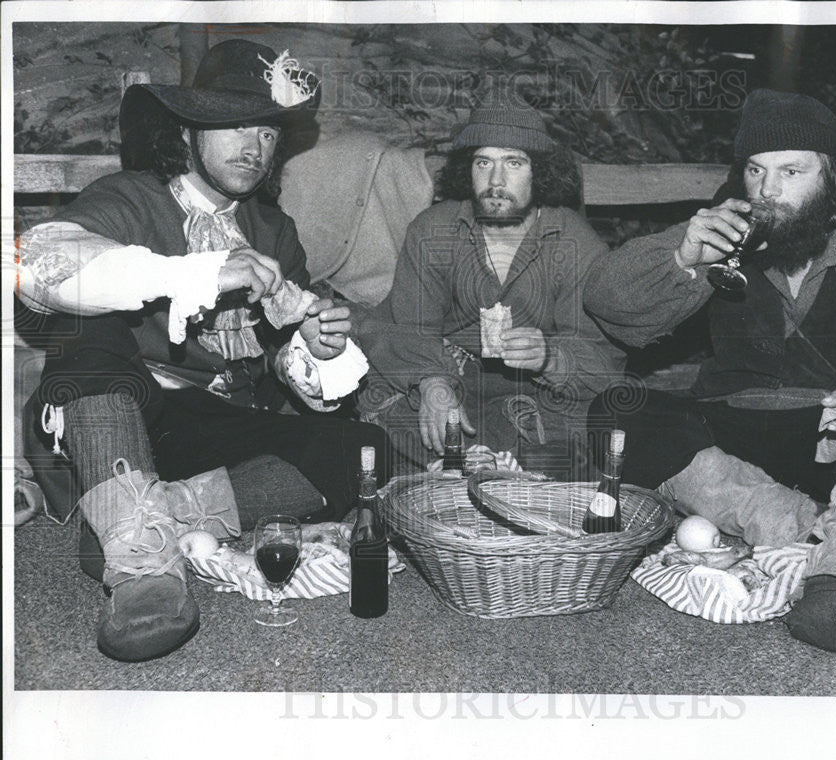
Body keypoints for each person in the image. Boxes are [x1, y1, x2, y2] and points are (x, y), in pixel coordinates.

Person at [16, 40, 388, 662]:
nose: (254, 145)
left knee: (368, 450)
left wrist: (313, 350)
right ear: (187, 132)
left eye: (268, 132)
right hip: (116, 412)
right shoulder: (131, 195)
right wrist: (191, 275)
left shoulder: (274, 230)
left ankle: (140, 524)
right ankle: (144, 578)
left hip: (209, 431)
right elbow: (34, 264)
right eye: (234, 125)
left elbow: (268, 362)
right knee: (87, 329)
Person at [585, 89, 836, 665]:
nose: (768, 190)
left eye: (792, 171)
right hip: (737, 432)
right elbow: (608, 304)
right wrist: (682, 257)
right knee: (618, 413)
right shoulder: (719, 236)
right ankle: (802, 533)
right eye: (756, 171)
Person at [358, 96, 625, 478]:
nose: (495, 182)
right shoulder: (434, 229)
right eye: (484, 162)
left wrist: (550, 356)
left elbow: (603, 362)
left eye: (514, 163)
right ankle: (474, 470)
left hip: (533, 394)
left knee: (590, 422)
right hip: (453, 379)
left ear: (541, 172)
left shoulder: (573, 241)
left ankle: (472, 471)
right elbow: (408, 328)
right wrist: (433, 381)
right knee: (381, 397)